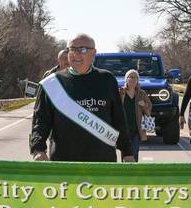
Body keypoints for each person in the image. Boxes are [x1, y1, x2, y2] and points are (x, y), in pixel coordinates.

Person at [30, 33, 134, 162]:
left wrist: (127, 152)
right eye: (72, 49)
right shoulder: (52, 83)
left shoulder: (107, 80)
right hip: (64, 161)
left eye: (82, 50)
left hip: (102, 161)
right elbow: (40, 121)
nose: (75, 54)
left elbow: (119, 119)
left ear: (94, 53)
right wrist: (38, 149)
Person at [119, 69, 152, 162]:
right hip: (123, 127)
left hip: (136, 128)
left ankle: (134, 173)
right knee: (124, 152)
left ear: (137, 80)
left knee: (135, 152)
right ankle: (124, 172)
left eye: (134, 77)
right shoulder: (121, 92)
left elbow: (149, 107)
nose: (132, 79)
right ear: (126, 79)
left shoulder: (141, 93)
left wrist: (144, 105)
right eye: (130, 77)